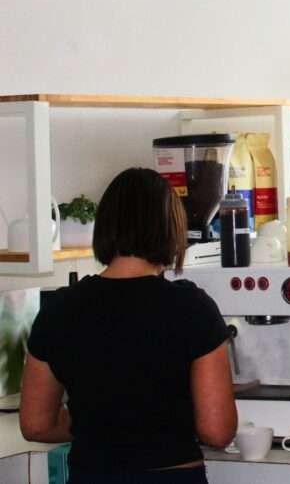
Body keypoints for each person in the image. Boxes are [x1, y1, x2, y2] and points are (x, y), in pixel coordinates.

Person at [20, 168, 237, 484]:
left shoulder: (59, 310)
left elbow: (36, 424)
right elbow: (217, 430)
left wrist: (100, 421)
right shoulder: (193, 308)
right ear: (170, 229)